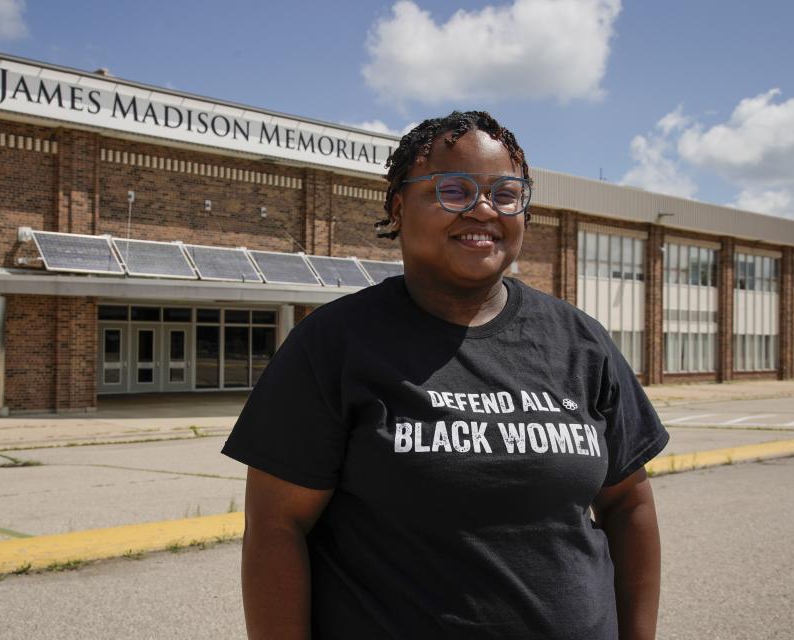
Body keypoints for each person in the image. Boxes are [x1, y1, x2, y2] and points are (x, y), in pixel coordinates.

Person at [221, 110, 669, 639]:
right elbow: (276, 529)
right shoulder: (333, 345)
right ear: (398, 205)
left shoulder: (581, 342)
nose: (483, 210)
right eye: (453, 191)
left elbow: (628, 502)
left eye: (506, 194)